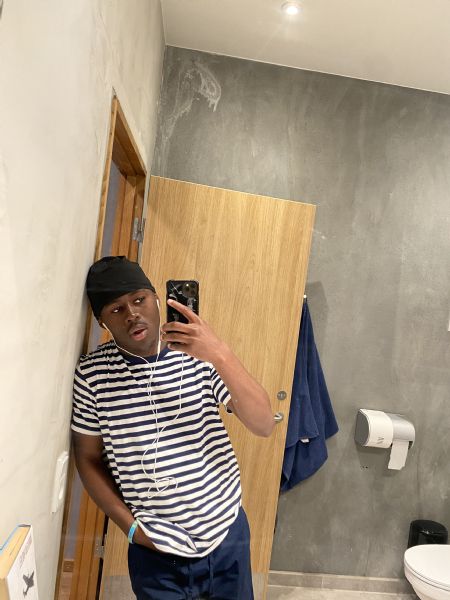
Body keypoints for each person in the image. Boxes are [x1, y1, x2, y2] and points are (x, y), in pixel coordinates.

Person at [71, 256, 274, 600]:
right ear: (102, 321)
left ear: (156, 299)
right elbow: (88, 458)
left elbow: (264, 424)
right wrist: (131, 529)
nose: (132, 313)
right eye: (117, 309)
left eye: (139, 299)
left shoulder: (199, 355)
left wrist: (220, 354)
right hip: (155, 549)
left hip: (226, 532)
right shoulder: (93, 375)